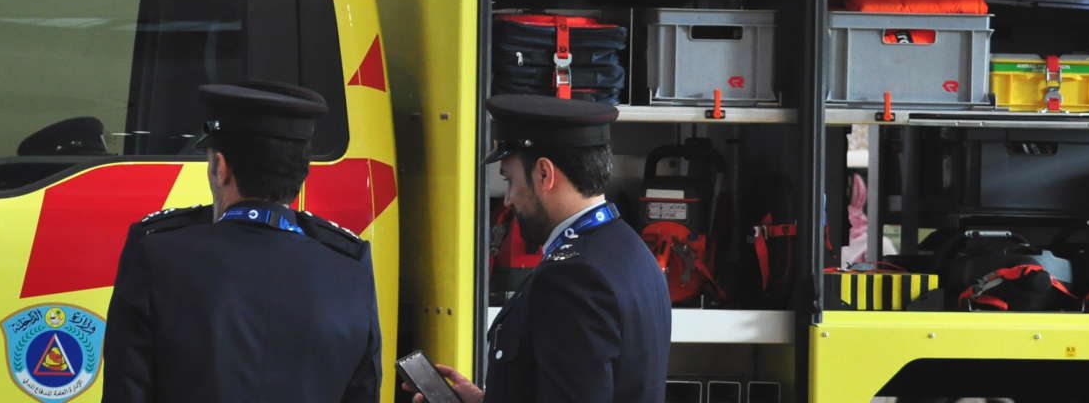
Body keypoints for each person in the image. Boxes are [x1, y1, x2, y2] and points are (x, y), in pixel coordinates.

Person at [102, 81, 381, 403]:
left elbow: (126, 391)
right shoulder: (348, 265)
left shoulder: (157, 252)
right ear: (302, 173)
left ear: (220, 168)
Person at [407, 95, 671, 403]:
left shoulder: (573, 277)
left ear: (544, 174)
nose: (508, 200)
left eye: (510, 180)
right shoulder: (627, 248)